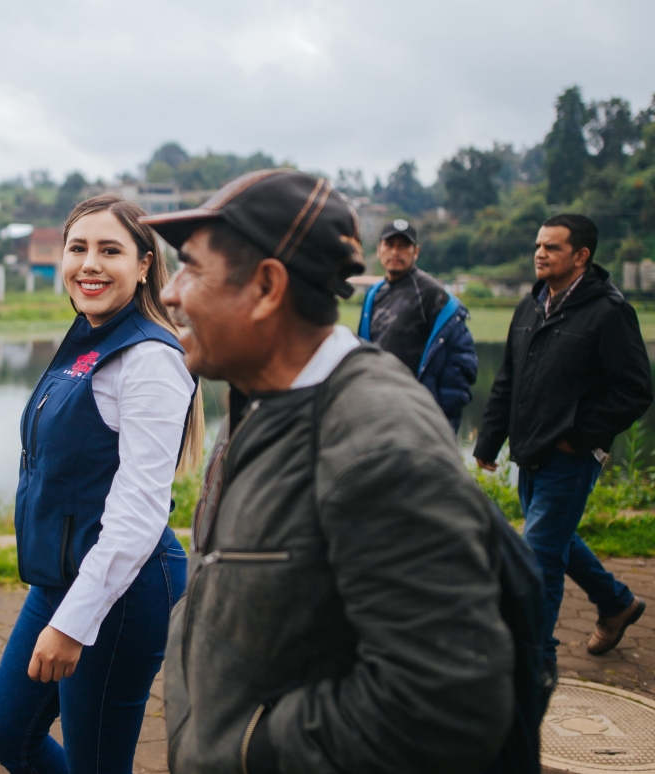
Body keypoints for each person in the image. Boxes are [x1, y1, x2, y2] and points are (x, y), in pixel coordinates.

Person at [144, 169, 515, 774]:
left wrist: (248, 748)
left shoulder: (378, 442)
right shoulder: (260, 395)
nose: (169, 293)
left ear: (267, 287)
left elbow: (446, 701)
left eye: (191, 269)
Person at [0, 195, 203, 774]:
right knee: (8, 734)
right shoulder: (88, 336)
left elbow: (139, 512)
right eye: (77, 248)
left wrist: (74, 622)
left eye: (110, 250)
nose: (89, 265)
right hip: (63, 579)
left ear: (145, 264)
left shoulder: (150, 359)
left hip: (122, 592)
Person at [474, 213, 650, 664]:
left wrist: (578, 436)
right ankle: (616, 603)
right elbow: (508, 380)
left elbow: (634, 390)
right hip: (530, 450)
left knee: (539, 557)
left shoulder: (609, 312)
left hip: (570, 457)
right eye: (538, 245)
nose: (540, 253)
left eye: (552, 247)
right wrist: (490, 440)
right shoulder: (530, 306)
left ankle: (535, 662)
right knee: (554, 539)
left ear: (581, 256)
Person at [357, 218, 478, 431]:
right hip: (378, 412)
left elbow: (461, 362)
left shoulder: (433, 294)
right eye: (389, 245)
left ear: (416, 252)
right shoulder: (374, 294)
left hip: (418, 418)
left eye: (404, 246)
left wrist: (440, 420)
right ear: (378, 249)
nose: (395, 252)